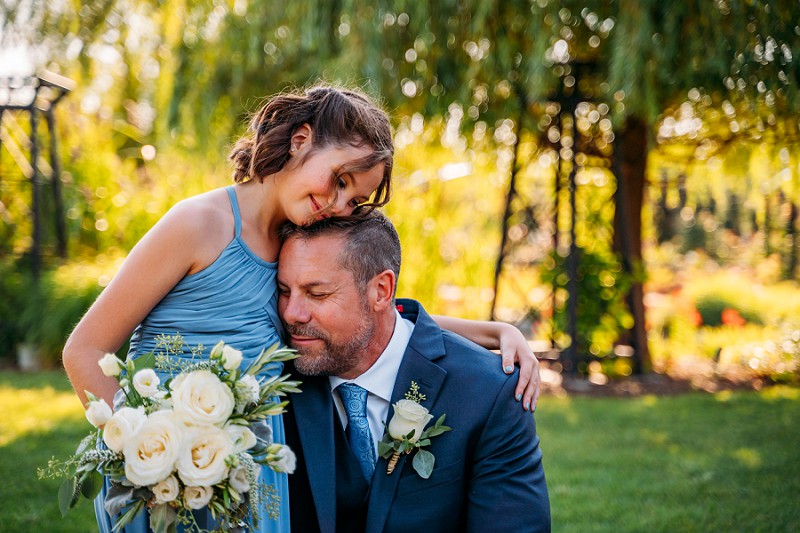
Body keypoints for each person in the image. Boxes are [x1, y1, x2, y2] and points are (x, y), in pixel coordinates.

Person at [62, 84, 541, 532]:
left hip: (254, 473)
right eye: (339, 180)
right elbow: (85, 350)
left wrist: (489, 331)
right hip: (174, 479)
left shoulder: (292, 241)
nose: (336, 204)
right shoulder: (200, 224)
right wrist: (149, 458)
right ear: (300, 140)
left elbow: (361, 312)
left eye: (353, 199)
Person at [278, 212, 551, 533]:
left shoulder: (489, 393)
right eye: (284, 291)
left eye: (317, 294)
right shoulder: (270, 379)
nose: (292, 313)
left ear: (381, 290)